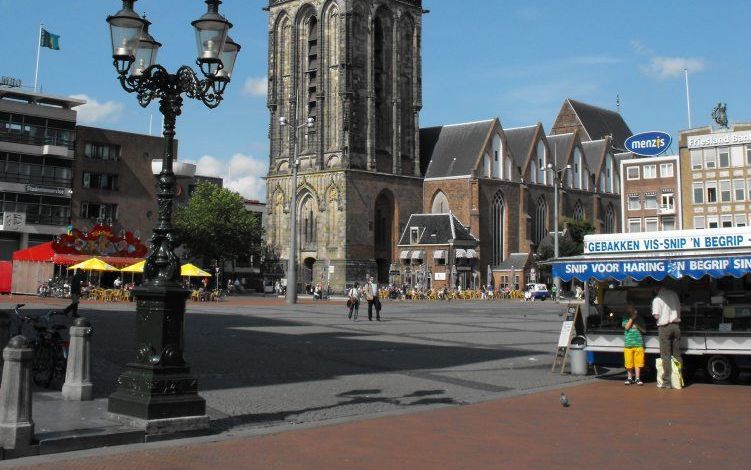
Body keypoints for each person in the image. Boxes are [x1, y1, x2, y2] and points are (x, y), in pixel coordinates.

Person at [652, 285, 682, 389]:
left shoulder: (657, 299)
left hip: (664, 327)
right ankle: (678, 379)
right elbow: (678, 308)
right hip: (676, 326)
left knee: (666, 355)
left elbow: (656, 315)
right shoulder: (674, 294)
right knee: (677, 354)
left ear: (656, 288)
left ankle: (667, 382)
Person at [622, 305, 645, 386]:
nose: (629, 309)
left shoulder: (640, 318)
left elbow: (644, 330)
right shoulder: (625, 317)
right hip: (628, 344)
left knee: (638, 362)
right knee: (629, 362)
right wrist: (632, 318)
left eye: (631, 307)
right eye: (628, 308)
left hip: (638, 343)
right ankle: (629, 378)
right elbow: (626, 327)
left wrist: (637, 326)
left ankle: (638, 378)